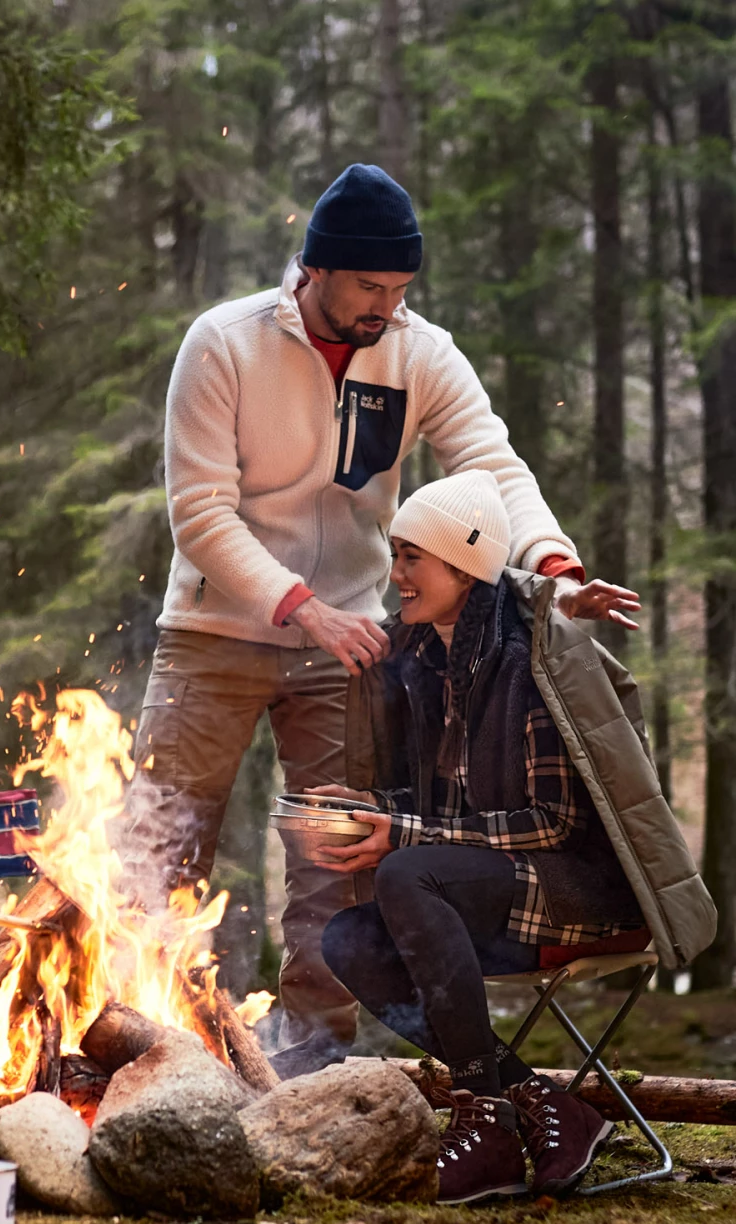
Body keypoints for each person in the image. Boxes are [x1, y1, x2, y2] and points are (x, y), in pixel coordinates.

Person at [125, 162, 640, 1079]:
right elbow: (199, 512)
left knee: (337, 854)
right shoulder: (224, 343)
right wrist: (299, 608)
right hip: (214, 634)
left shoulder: (418, 350)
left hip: (354, 640)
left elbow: (491, 466)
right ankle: (134, 1036)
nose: (386, 307)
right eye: (371, 286)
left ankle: (312, 1063)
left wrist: (552, 565)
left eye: (401, 289)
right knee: (163, 837)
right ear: (315, 270)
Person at [314, 470, 713, 1204]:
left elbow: (553, 821)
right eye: (394, 554)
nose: (395, 574)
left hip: (579, 887)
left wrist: (402, 833)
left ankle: (486, 1123)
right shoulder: (425, 661)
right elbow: (446, 809)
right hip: (489, 891)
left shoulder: (531, 662)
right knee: (348, 938)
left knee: (408, 876)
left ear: (464, 567)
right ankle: (541, 1103)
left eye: (412, 558)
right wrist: (369, 806)